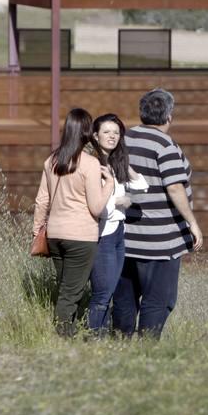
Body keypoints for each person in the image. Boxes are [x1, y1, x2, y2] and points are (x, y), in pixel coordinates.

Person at [114, 88, 203, 338]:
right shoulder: (165, 145)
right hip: (160, 241)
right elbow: (175, 187)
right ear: (169, 117)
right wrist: (193, 223)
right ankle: (147, 350)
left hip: (125, 236)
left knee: (124, 298)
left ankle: (119, 344)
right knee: (158, 299)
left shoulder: (124, 139)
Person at [34, 108, 114, 336]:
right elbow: (96, 207)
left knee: (66, 288)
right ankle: (63, 336)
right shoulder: (89, 163)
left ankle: (71, 330)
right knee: (72, 292)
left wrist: (36, 230)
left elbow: (41, 201)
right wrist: (108, 184)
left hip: (55, 235)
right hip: (80, 237)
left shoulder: (51, 161)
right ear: (88, 131)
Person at [87, 113, 148, 336]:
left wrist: (124, 159)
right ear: (95, 135)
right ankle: (94, 337)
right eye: (106, 132)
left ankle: (100, 336)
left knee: (110, 291)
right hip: (102, 234)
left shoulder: (113, 162)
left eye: (116, 132)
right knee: (102, 293)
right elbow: (96, 206)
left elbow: (142, 185)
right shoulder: (93, 163)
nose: (112, 136)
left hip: (118, 232)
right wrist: (121, 201)